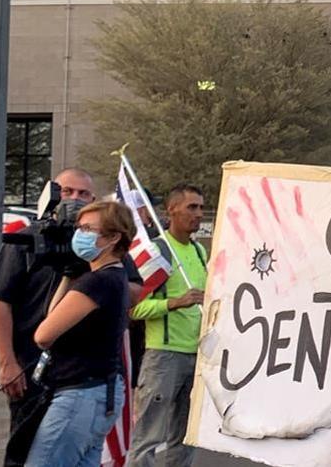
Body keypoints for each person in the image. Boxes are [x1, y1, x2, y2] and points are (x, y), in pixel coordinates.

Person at [0, 167, 144, 467]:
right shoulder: (28, 241)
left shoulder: (104, 272)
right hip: (36, 375)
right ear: (52, 195)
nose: (74, 200)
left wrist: (84, 270)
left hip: (79, 386)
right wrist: (7, 361)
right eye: (67, 192)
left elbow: (46, 334)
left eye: (83, 195)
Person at [24, 201, 132, 466]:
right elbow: (55, 314)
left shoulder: (99, 281)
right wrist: (68, 275)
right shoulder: (113, 277)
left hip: (80, 394)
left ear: (114, 237)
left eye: (87, 229)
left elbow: (44, 334)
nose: (79, 235)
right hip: (100, 392)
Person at [129, 184, 207, 467]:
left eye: (200, 207)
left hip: (196, 356)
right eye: (191, 207)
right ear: (171, 210)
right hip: (163, 356)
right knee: (148, 438)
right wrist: (173, 303)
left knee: (185, 439)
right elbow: (134, 307)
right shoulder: (157, 251)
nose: (198, 214)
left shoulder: (199, 251)